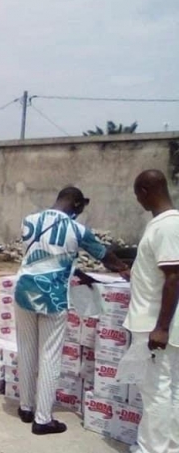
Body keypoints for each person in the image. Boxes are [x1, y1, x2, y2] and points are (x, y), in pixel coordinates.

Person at [14, 186, 128, 435]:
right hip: (52, 297)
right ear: (77, 205)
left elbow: (44, 257)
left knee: (26, 349)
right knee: (49, 356)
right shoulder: (77, 229)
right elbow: (105, 256)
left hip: (23, 290)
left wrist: (79, 273)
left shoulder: (29, 221)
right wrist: (125, 270)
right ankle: (43, 419)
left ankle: (25, 407)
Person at [122, 170, 179, 453]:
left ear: (145, 191)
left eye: (137, 195)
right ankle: (169, 446)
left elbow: (173, 277)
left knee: (155, 391)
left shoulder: (166, 226)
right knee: (170, 391)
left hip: (154, 324)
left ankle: (152, 449)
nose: (138, 201)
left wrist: (161, 327)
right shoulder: (169, 224)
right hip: (163, 322)